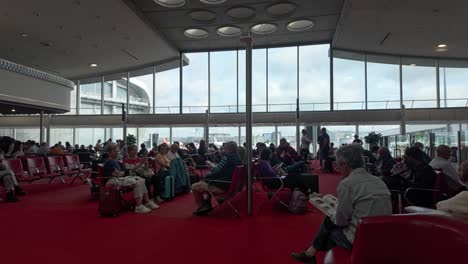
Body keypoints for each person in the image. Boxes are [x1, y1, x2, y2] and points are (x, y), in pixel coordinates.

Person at [291, 144, 392, 263]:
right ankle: (309, 254)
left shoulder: (347, 184)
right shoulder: (379, 181)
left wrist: (333, 214)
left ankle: (311, 254)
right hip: (383, 238)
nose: (337, 168)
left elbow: (341, 221)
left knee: (328, 229)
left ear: (345, 164)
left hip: (360, 239)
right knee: (329, 224)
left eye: (337, 164)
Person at [103, 144, 159, 214]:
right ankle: (138, 206)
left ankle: (147, 201)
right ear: (109, 153)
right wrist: (123, 173)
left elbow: (122, 172)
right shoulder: (109, 162)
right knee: (138, 182)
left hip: (118, 178)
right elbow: (117, 174)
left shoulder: (115, 161)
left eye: (117, 151)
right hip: (112, 180)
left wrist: (123, 172)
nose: (117, 152)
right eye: (115, 151)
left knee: (141, 180)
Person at [191, 141, 242, 216]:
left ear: (229, 148)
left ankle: (202, 207)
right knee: (208, 181)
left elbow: (216, 171)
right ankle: (207, 204)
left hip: (222, 186)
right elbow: (222, 169)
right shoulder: (238, 158)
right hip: (231, 185)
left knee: (194, 186)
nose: (224, 148)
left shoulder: (227, 157)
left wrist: (209, 169)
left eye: (225, 147)